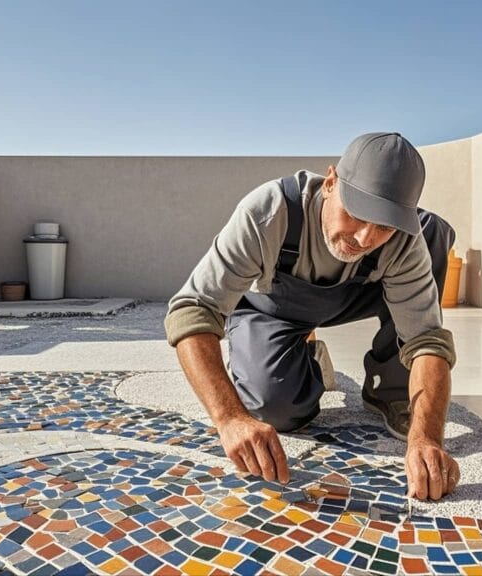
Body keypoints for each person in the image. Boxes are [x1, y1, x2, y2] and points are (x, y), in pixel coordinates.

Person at [164, 133, 460, 501]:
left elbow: (427, 340)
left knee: (433, 231)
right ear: (331, 181)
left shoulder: (403, 240)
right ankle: (308, 359)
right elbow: (192, 309)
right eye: (356, 214)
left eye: (384, 226)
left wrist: (427, 438)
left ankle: (391, 386)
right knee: (277, 410)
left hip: (355, 298)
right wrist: (230, 419)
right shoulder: (269, 211)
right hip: (274, 311)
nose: (365, 238)